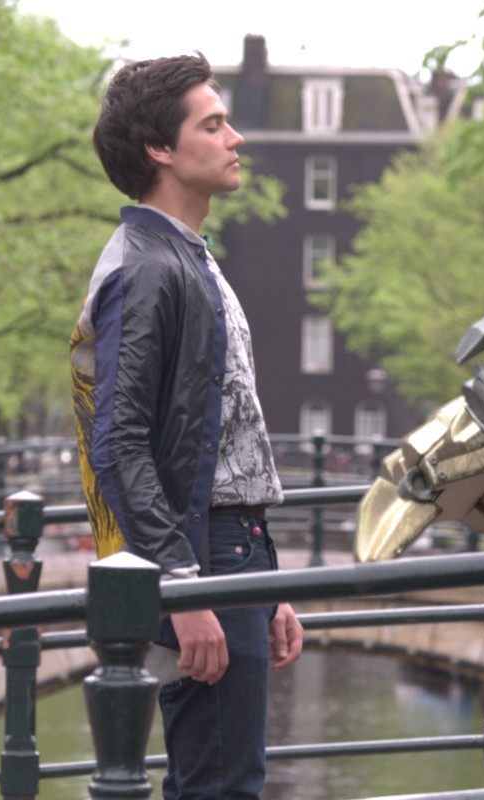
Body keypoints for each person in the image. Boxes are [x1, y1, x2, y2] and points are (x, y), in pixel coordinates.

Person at [74, 53, 304, 800]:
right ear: (160, 149)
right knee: (221, 784)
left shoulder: (184, 256)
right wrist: (182, 586)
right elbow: (120, 441)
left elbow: (225, 437)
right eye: (213, 125)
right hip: (204, 556)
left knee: (223, 777)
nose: (235, 138)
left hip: (231, 552)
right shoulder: (147, 268)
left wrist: (267, 581)